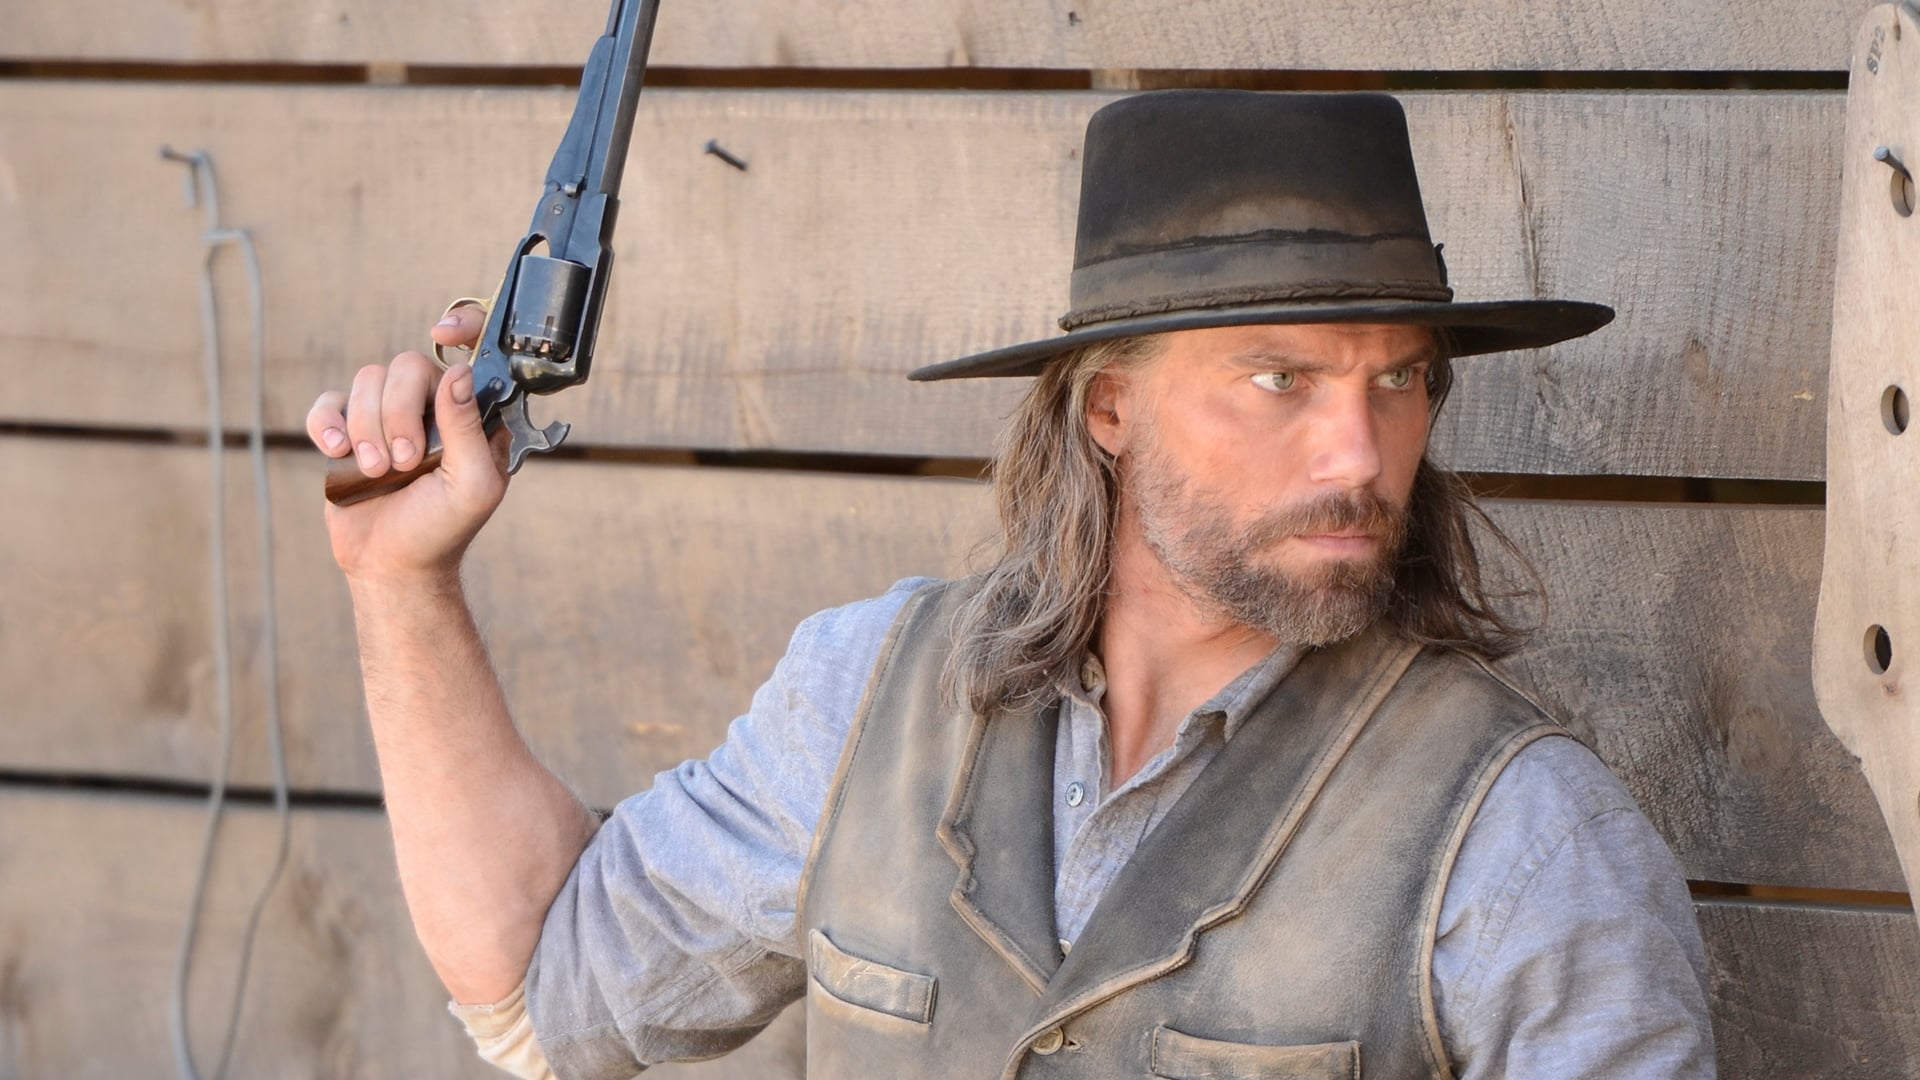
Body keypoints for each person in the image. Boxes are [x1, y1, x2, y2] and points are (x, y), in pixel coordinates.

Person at [307, 91, 1715, 1078]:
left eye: (1399, 382)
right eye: (1281, 379)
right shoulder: (871, 698)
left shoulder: (1525, 839)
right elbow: (547, 994)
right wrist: (399, 581)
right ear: (1109, 407)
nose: (1361, 451)